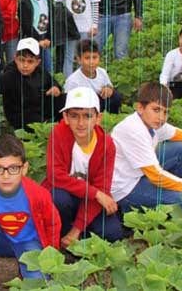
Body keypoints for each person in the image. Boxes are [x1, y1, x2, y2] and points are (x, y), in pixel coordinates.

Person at [0, 134, 60, 288]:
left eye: (13, 168)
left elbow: (53, 224)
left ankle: (32, 273)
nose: (6, 176)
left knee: (37, 284)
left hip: (28, 243)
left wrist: (50, 256)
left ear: (25, 168)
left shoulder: (38, 194)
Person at [111, 82, 182, 213]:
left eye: (166, 112)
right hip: (125, 189)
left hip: (141, 175)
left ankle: (171, 191)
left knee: (180, 148)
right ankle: (128, 210)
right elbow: (156, 176)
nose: (161, 117)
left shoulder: (152, 123)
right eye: (156, 110)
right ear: (140, 108)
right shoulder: (134, 130)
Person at [43, 87, 123, 245]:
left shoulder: (106, 144)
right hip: (67, 195)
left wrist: (77, 229)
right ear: (65, 117)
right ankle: (62, 232)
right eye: (74, 116)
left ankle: (75, 232)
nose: (80, 123)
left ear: (98, 118)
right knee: (58, 197)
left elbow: (102, 187)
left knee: (113, 233)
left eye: (87, 116)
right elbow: (56, 176)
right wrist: (96, 194)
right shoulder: (58, 134)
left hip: (90, 201)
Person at [0, 38, 65, 131]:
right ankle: (48, 135)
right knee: (35, 120)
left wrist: (55, 87)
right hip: (19, 114)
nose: (25, 65)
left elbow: (52, 82)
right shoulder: (9, 75)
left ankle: (64, 130)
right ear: (15, 58)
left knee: (64, 100)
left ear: (37, 62)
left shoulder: (40, 71)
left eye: (30, 61)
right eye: (22, 60)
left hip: (38, 106)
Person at [55, 0, 100, 78]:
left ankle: (83, 81)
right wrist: (64, 19)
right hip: (70, 29)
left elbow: (95, 6)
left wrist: (94, 26)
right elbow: (58, 2)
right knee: (69, 56)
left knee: (84, 56)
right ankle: (68, 81)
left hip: (86, 28)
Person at [64, 39, 122, 114]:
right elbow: (69, 102)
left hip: (99, 104)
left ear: (99, 58)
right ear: (79, 60)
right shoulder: (73, 80)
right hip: (83, 108)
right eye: (87, 58)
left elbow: (109, 86)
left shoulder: (102, 72)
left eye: (94, 58)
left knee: (115, 96)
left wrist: (108, 89)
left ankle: (113, 118)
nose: (91, 62)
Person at [18, 0, 53, 72]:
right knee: (32, 64)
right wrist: (38, 40)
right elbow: (26, 24)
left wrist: (48, 38)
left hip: (45, 37)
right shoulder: (24, 2)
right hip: (31, 38)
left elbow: (51, 19)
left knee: (47, 65)